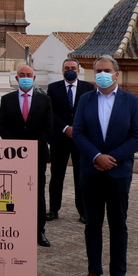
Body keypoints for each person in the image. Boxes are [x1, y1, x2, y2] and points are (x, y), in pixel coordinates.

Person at [73, 55, 138, 276]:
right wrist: (96, 157)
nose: (102, 74)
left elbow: (137, 137)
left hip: (118, 172)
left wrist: (110, 158)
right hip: (91, 171)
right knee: (92, 224)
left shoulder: (131, 102)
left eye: (107, 70)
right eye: (98, 70)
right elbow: (79, 133)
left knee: (118, 225)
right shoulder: (85, 100)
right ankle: (94, 273)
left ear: (116, 74)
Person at [0, 64, 53, 247]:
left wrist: (32, 147)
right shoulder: (6, 100)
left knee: (37, 194)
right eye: (22, 74)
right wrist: (16, 147)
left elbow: (48, 129)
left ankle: (39, 231)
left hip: (37, 156)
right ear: (16, 78)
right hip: (13, 156)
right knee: (13, 194)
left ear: (34, 78)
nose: (25, 77)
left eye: (29, 74)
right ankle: (15, 228)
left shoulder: (45, 100)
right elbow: (2, 127)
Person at [46, 58, 95, 223]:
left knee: (81, 175)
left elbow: (90, 112)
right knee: (56, 175)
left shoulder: (88, 88)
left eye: (73, 68)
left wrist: (77, 129)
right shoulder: (53, 88)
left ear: (78, 70)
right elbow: (50, 112)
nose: (70, 70)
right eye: (67, 67)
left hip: (81, 139)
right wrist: (65, 128)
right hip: (59, 138)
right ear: (62, 70)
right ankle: (53, 210)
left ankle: (82, 211)